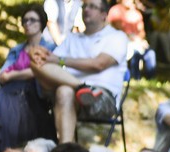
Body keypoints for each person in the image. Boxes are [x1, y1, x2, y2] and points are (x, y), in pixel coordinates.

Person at [29, 0, 128, 144]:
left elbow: (98, 64)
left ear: (104, 14)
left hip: (103, 97)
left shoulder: (117, 37)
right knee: (42, 69)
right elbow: (49, 60)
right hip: (74, 92)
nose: (86, 10)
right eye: (84, 6)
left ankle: (64, 150)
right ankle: (66, 151)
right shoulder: (72, 38)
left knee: (64, 89)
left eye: (92, 7)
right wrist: (37, 53)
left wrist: (61, 60)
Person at [0, 5, 57, 152]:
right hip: (12, 90)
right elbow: (2, 75)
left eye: (32, 20)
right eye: (25, 20)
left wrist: (14, 74)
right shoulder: (17, 49)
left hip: (35, 92)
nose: (27, 23)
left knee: (5, 99)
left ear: (42, 23)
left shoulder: (51, 48)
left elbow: (42, 71)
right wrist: (27, 72)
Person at [107, 0, 156, 80]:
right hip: (122, 42)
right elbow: (115, 29)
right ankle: (135, 77)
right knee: (135, 53)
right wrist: (131, 38)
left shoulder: (136, 13)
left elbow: (142, 32)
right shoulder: (115, 10)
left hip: (137, 41)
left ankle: (151, 78)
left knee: (150, 53)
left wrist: (140, 40)